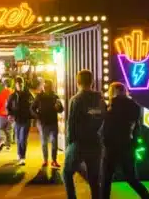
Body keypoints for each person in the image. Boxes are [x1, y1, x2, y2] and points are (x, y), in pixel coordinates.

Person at [99, 82, 149, 199]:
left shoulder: (112, 106)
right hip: (126, 145)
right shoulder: (135, 106)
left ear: (114, 91)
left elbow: (108, 127)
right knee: (132, 179)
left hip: (111, 147)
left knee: (106, 180)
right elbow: (136, 127)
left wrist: (104, 141)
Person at [63, 69, 105, 199]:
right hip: (96, 142)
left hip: (79, 143)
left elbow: (72, 123)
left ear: (78, 82)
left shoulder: (76, 99)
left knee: (67, 172)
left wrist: (69, 143)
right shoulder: (100, 99)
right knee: (94, 177)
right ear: (92, 82)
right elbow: (103, 117)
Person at [31, 79, 63, 168]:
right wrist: (38, 116)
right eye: (44, 86)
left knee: (54, 142)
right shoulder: (39, 96)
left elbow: (61, 109)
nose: (46, 88)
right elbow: (32, 108)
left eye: (48, 86)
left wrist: (58, 107)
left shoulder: (55, 96)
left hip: (53, 122)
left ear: (51, 87)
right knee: (44, 142)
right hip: (43, 123)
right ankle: (45, 160)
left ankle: (54, 160)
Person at [8, 76, 35, 165]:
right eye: (17, 84)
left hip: (26, 119)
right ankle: (19, 154)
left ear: (23, 84)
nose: (19, 85)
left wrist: (33, 116)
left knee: (23, 138)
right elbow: (8, 107)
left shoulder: (28, 95)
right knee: (18, 139)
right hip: (17, 120)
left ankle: (22, 157)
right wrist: (10, 114)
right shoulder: (13, 95)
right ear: (15, 85)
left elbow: (34, 106)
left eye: (21, 83)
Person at [0, 77, 14, 151]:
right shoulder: (14, 93)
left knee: (1, 128)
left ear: (4, 85)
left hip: (1, 114)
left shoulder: (1, 93)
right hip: (11, 115)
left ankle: (2, 140)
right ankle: (8, 145)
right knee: (9, 129)